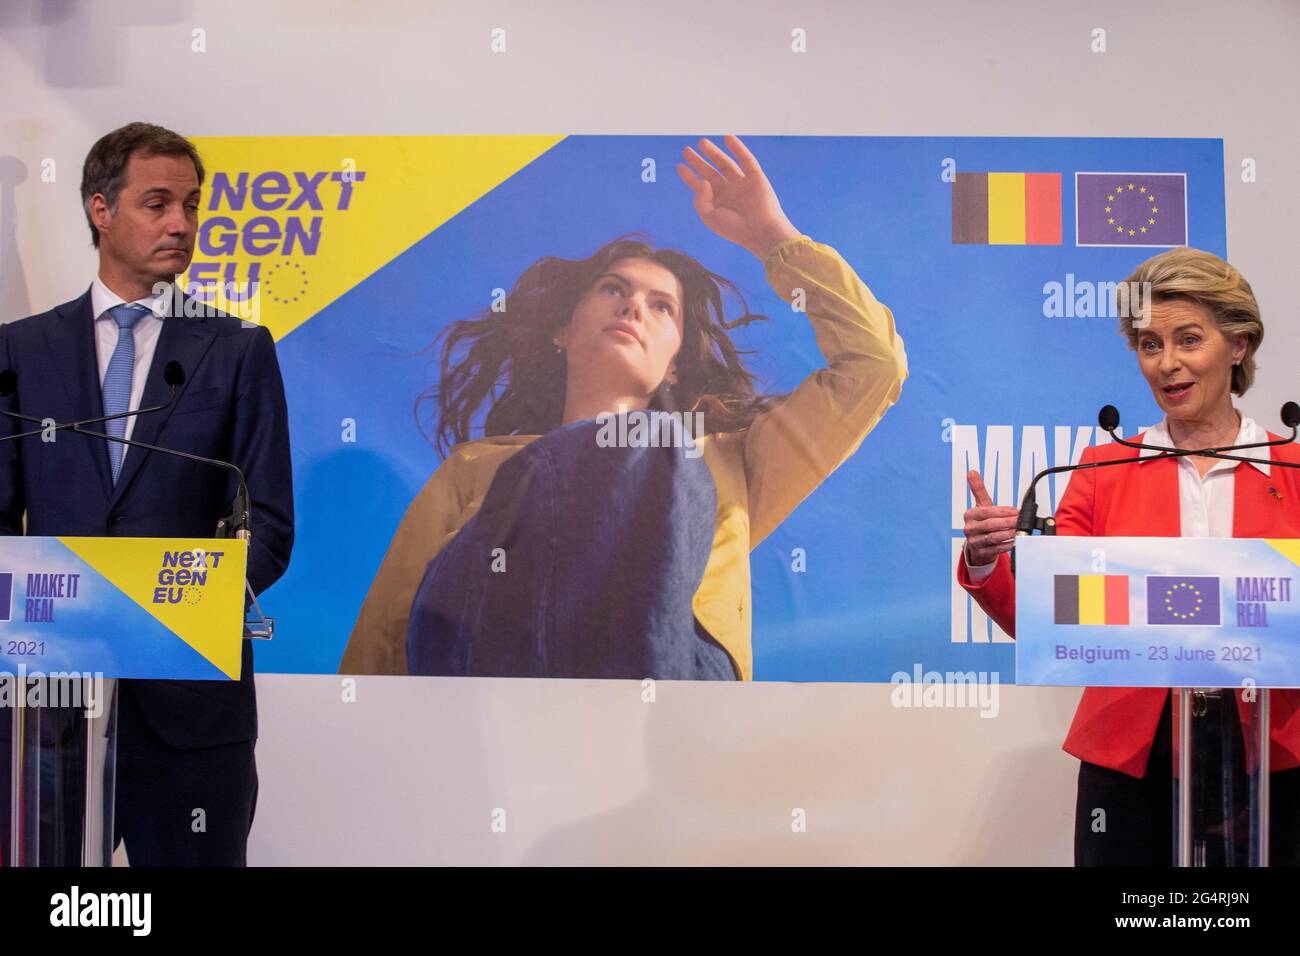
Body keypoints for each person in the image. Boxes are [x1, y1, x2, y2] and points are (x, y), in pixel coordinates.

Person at [340, 134, 907, 680]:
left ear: (676, 364)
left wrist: (769, 235)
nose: (634, 306)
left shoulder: (732, 462)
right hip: (490, 675)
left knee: (661, 444)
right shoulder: (473, 468)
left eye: (662, 308)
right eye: (614, 289)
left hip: (662, 685)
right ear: (564, 330)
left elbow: (873, 366)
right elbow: (384, 635)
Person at [0, 122, 294, 865]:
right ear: (101, 210)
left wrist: (173, 607)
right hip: (50, 709)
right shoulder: (20, 351)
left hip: (189, 710)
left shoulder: (235, 350)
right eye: (158, 203)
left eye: (192, 206)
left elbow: (270, 523)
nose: (181, 224)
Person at [958, 246, 1300, 865]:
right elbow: (1049, 617)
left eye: (1189, 340)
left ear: (1239, 343)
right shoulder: (1102, 469)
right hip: (1136, 752)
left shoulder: (1294, 469)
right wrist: (988, 561)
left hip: (1272, 749)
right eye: (1149, 344)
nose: (1167, 364)